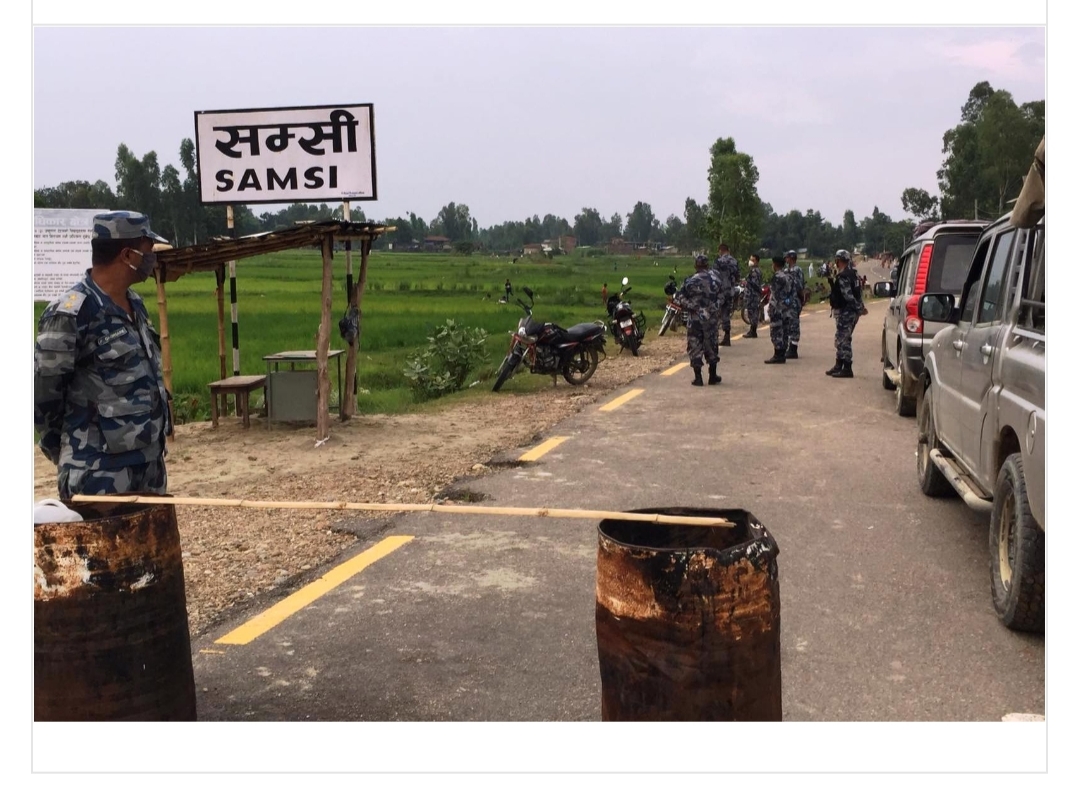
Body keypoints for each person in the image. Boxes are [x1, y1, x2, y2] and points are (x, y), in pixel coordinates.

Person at [34, 211, 173, 498]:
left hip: (149, 465)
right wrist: (71, 451)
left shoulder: (135, 304)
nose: (152, 257)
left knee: (152, 530)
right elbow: (44, 397)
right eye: (148, 250)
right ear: (127, 255)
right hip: (97, 473)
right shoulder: (71, 314)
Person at [678, 254, 720, 386]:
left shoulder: (690, 281)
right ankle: (712, 376)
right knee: (712, 345)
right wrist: (713, 309)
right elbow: (722, 297)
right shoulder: (715, 280)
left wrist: (692, 306)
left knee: (695, 346)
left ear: (696, 266)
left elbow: (680, 297)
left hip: (695, 318)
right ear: (707, 265)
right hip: (711, 319)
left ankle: (698, 378)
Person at [826, 249, 866, 378]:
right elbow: (858, 293)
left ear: (839, 260)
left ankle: (847, 367)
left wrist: (858, 308)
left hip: (846, 311)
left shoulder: (844, 276)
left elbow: (848, 296)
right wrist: (860, 307)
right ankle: (839, 364)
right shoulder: (853, 274)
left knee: (844, 339)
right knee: (841, 337)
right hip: (850, 311)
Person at [764, 255, 795, 365]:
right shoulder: (789, 276)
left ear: (775, 264)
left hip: (777, 308)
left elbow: (775, 294)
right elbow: (792, 292)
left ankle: (778, 354)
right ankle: (782, 353)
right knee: (785, 331)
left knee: (776, 331)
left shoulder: (777, 277)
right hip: (787, 308)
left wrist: (771, 308)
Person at [714, 243, 739, 346]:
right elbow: (737, 276)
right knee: (726, 313)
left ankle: (714, 337)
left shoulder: (719, 261)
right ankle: (727, 336)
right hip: (730, 290)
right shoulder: (734, 261)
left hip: (720, 291)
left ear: (720, 250)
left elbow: (714, 275)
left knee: (715, 313)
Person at [784, 250, 805, 359]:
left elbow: (799, 286)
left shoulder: (797, 270)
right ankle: (789, 346)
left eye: (787, 257)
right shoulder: (786, 270)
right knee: (787, 324)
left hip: (794, 300)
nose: (786, 259)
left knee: (794, 324)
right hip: (787, 301)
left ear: (791, 258)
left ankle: (793, 348)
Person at [744, 253, 763, 338]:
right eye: (750, 259)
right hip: (752, 294)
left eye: (753, 260)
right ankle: (752, 330)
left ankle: (753, 331)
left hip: (753, 295)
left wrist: (747, 281)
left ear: (757, 261)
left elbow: (754, 284)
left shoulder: (755, 271)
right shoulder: (753, 270)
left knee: (753, 313)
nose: (751, 261)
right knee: (751, 313)